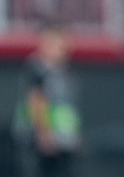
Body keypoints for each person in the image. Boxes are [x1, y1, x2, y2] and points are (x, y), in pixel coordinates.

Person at [13, 27, 81, 177]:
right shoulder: (37, 69)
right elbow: (36, 101)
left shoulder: (64, 71)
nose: (65, 49)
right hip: (43, 145)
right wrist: (43, 134)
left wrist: (73, 135)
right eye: (60, 44)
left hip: (62, 142)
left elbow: (66, 108)